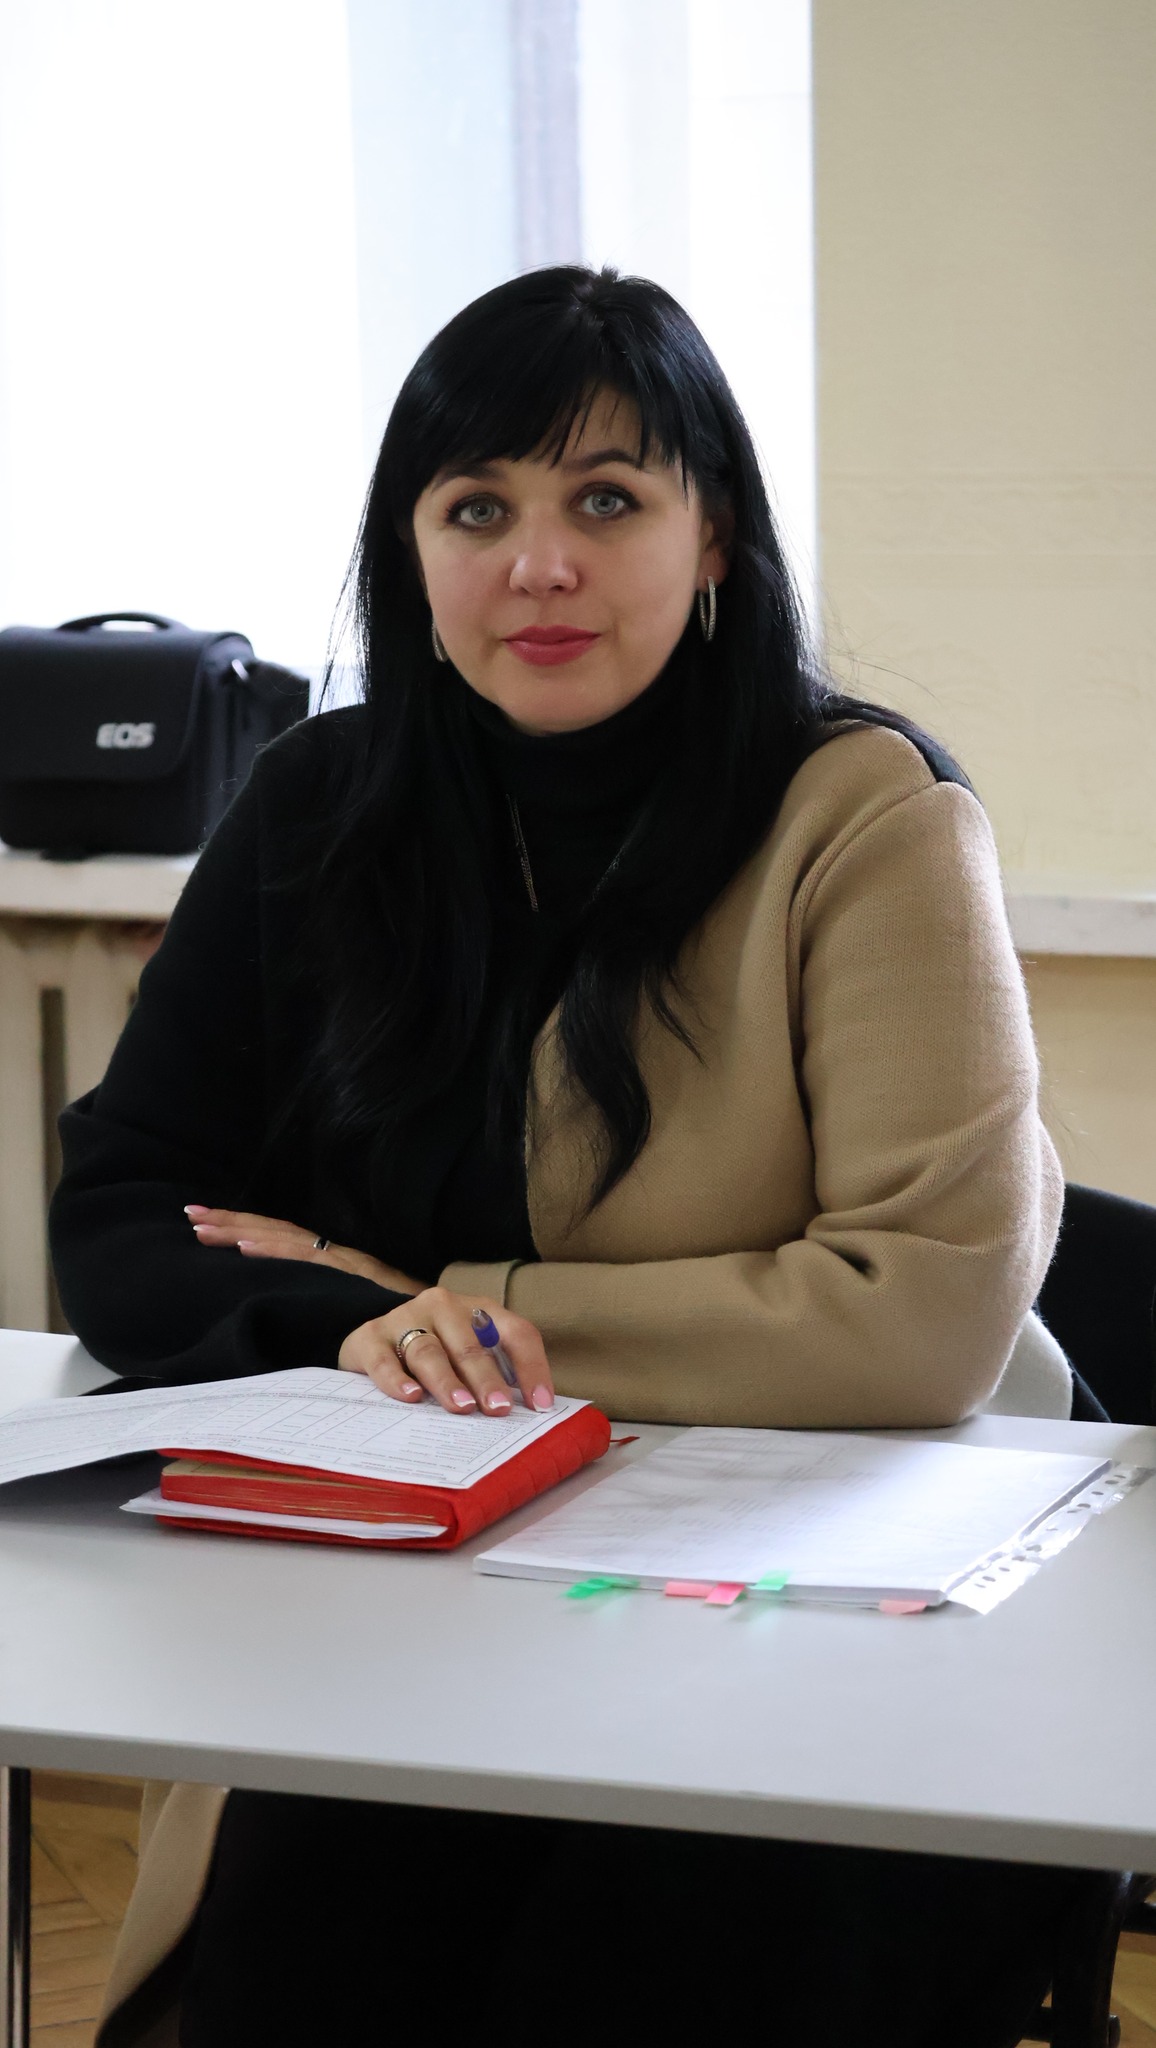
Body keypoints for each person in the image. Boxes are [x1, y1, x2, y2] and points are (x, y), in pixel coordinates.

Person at [52, 266, 1074, 2048]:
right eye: (478, 509)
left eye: (607, 499)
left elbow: (919, 1322)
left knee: (648, 1961)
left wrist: (442, 1302)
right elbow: (125, 1209)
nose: (539, 565)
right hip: (430, 1590)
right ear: (411, 549)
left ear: (713, 534)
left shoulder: (866, 814)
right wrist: (352, 1328)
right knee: (303, 1965)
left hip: (829, 1611)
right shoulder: (317, 806)